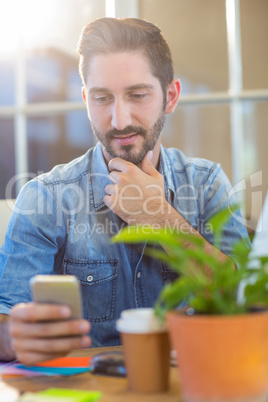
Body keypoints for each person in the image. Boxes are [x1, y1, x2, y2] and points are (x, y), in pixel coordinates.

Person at [0, 17, 249, 364]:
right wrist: (14, 337)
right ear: (86, 100)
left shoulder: (207, 184)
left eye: (137, 95)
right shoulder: (43, 197)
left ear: (171, 96)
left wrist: (160, 217)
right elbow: (5, 323)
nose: (119, 120)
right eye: (102, 98)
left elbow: (248, 301)